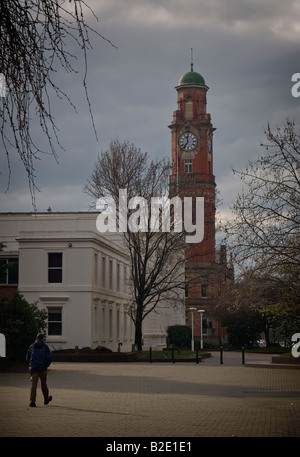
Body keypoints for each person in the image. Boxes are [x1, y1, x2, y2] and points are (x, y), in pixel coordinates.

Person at [26, 333, 52, 407]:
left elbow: (27, 357)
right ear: (43, 339)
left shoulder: (32, 346)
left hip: (33, 368)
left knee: (33, 385)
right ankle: (46, 399)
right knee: (44, 383)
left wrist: (30, 365)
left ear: (36, 338)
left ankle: (32, 401)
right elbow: (49, 357)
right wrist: (46, 365)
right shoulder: (45, 346)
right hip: (42, 368)